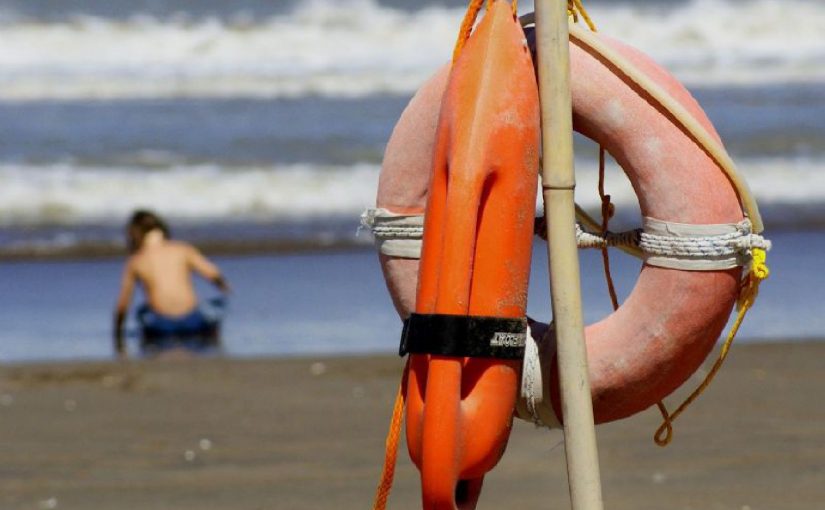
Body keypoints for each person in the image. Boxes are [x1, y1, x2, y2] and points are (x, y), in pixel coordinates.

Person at [113, 210, 230, 357]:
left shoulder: (136, 260)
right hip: (194, 321)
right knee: (215, 305)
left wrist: (117, 333)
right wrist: (224, 287)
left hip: (162, 325)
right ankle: (210, 335)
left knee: (142, 311)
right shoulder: (183, 249)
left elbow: (123, 304)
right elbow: (213, 273)